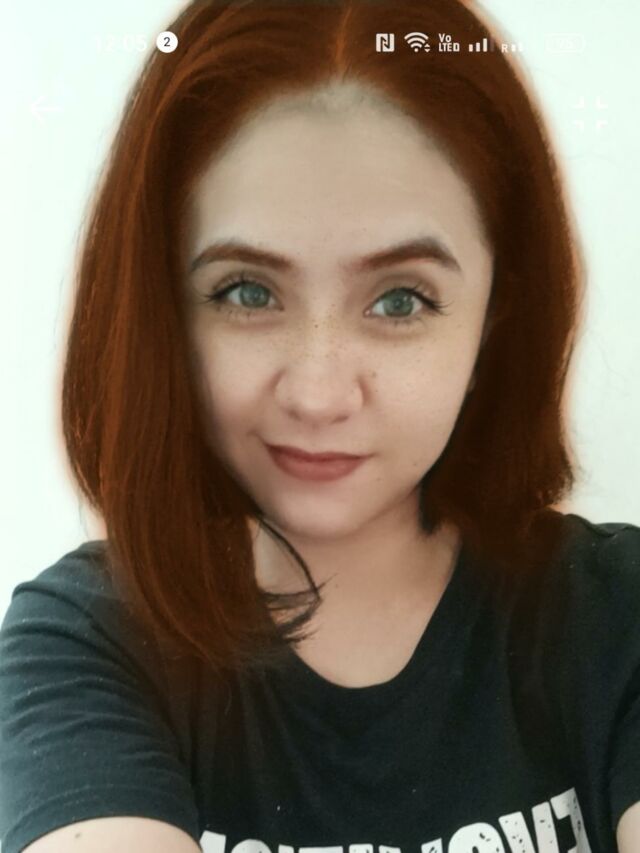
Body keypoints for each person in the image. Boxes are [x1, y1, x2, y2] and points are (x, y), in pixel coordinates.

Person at [1, 0, 639, 851]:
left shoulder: (614, 614)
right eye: (247, 292)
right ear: (165, 312)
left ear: (495, 316)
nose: (319, 394)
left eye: (400, 300)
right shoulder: (89, 639)